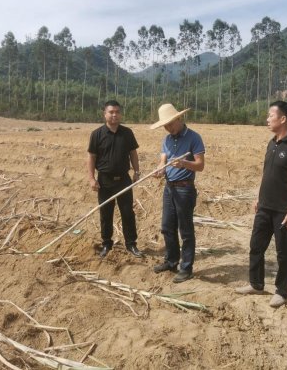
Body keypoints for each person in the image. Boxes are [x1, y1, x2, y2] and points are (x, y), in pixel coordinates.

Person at [235, 100, 287, 308]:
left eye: (270, 116)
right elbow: (268, 173)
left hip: (283, 211)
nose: (267, 119)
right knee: (256, 246)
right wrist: (259, 197)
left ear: (283, 119)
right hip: (264, 207)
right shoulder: (272, 143)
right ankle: (256, 284)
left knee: (283, 253)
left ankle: (281, 292)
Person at [150, 104, 205, 283]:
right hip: (169, 188)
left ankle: (186, 268)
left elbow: (200, 165)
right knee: (167, 227)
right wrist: (159, 170)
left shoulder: (194, 138)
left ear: (179, 119)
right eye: (165, 125)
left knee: (185, 230)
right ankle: (171, 261)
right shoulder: (167, 140)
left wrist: (184, 164)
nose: (168, 128)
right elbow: (163, 162)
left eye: (170, 124)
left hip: (185, 189)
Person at [87, 100, 143, 258]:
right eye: (111, 112)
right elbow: (91, 157)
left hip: (123, 180)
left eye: (117, 112)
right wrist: (91, 178)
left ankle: (131, 244)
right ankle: (106, 244)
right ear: (104, 114)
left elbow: (133, 153)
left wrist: (136, 172)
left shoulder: (127, 133)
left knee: (127, 213)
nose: (114, 115)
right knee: (106, 214)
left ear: (120, 114)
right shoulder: (97, 134)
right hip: (104, 181)